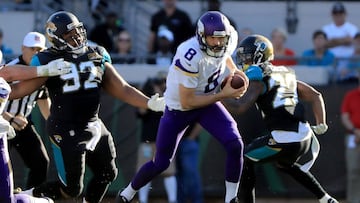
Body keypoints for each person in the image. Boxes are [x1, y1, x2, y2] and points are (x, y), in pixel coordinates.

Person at [6, 11, 165, 203]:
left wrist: (148, 102)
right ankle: (24, 197)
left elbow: (121, 87)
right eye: (68, 34)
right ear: (56, 37)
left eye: (77, 31)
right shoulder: (48, 59)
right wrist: (43, 71)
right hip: (66, 129)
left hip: (93, 124)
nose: (77, 37)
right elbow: (18, 89)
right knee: (72, 189)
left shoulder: (95, 53)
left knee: (108, 173)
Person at [116, 11, 248, 203]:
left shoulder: (228, 38)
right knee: (161, 163)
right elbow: (188, 101)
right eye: (213, 38)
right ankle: (127, 192)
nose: (219, 43)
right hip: (180, 108)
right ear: (201, 37)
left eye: (222, 38)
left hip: (207, 102)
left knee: (235, 143)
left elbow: (225, 54)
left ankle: (231, 199)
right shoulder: (189, 53)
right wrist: (224, 95)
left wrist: (234, 70)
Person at [225, 34, 338, 203]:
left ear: (258, 56)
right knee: (284, 164)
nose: (244, 61)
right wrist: (321, 123)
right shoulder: (284, 72)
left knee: (245, 159)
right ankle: (326, 199)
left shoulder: (259, 77)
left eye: (247, 57)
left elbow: (240, 107)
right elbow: (315, 95)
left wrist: (218, 96)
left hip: (285, 139)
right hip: (305, 136)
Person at [2, 31, 51, 190]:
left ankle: (30, 196)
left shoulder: (43, 70)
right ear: (23, 48)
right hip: (2, 123)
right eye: (32, 49)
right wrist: (9, 118)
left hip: (23, 123)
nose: (36, 53)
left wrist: (55, 126)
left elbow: (44, 101)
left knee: (41, 163)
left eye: (39, 50)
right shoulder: (8, 69)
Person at [0, 77, 54, 203]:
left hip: (17, 126)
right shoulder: (12, 70)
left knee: (6, 198)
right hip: (9, 123)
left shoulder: (5, 82)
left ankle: (38, 198)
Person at [136, 72, 177, 203]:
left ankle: (173, 200)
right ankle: (143, 200)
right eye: (159, 81)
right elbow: (141, 112)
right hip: (147, 142)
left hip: (165, 141)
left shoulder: (172, 97)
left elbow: (172, 111)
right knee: (143, 173)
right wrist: (148, 93)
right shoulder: (149, 98)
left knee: (169, 173)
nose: (161, 84)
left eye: (164, 81)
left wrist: (163, 93)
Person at [322, 1, 358, 82]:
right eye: (336, 14)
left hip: (347, 60)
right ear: (332, 14)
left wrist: (332, 41)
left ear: (345, 14)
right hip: (330, 60)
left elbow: (352, 40)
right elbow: (324, 44)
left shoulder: (352, 28)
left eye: (340, 13)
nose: (338, 16)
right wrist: (344, 40)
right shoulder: (326, 28)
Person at [340, 78, 360, 203]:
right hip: (353, 136)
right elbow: (345, 116)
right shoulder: (351, 95)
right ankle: (354, 200)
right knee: (353, 170)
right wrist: (355, 130)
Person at [176, 123, 203, 203]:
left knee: (191, 174)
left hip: (188, 142)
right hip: (175, 143)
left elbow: (201, 121)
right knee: (177, 175)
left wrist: (191, 137)